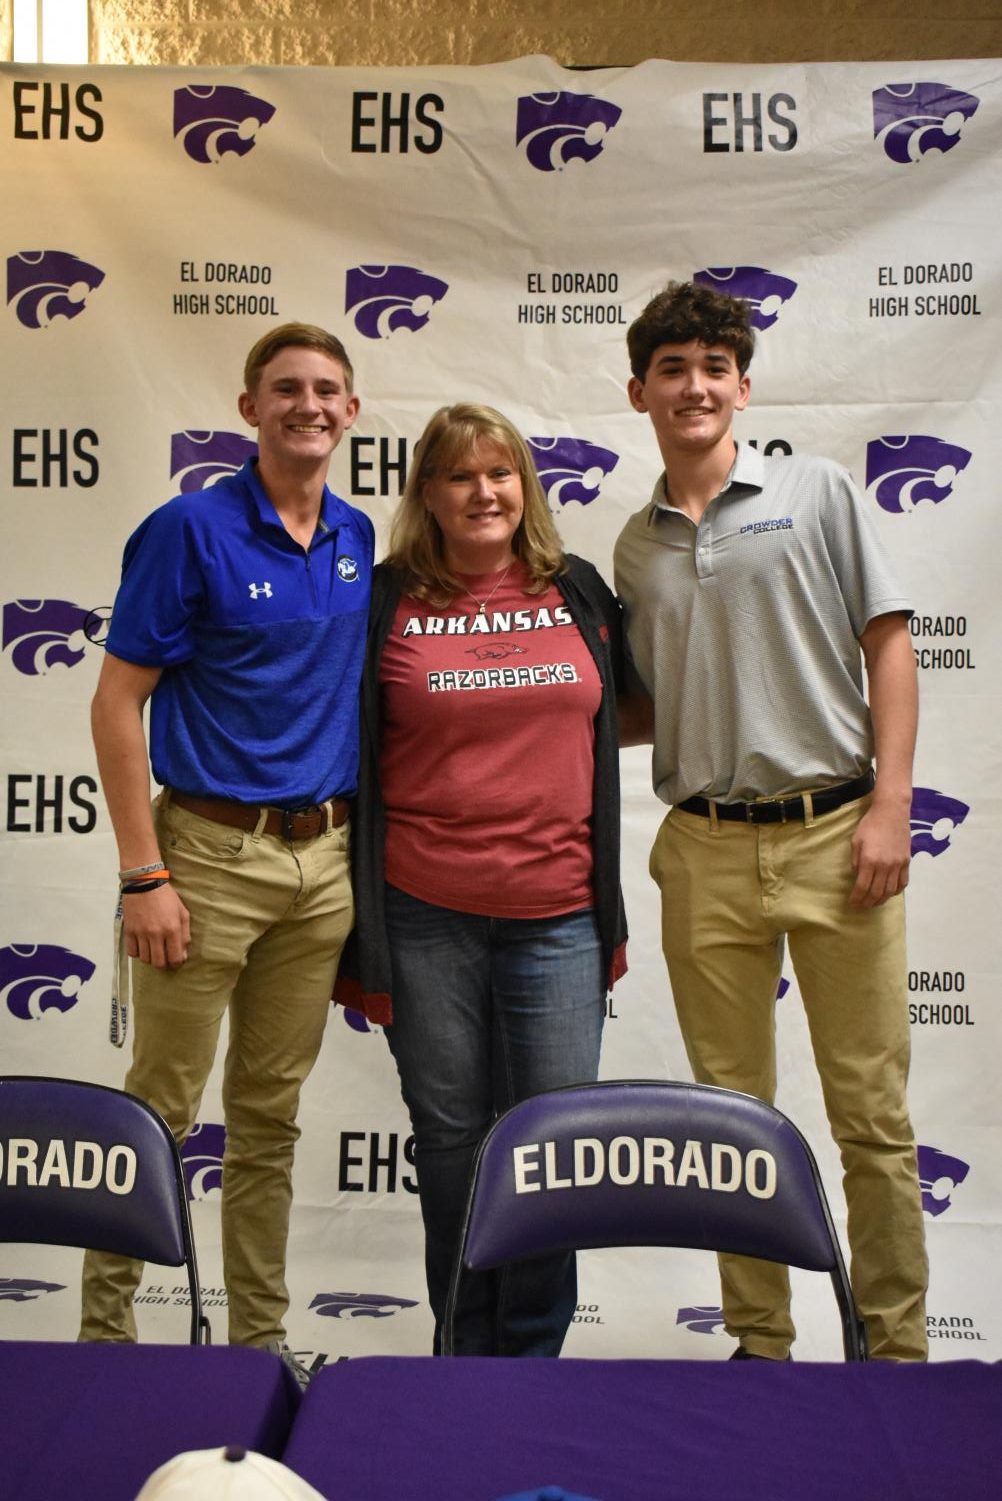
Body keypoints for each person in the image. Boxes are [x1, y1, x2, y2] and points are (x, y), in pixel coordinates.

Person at [614, 281, 928, 1362]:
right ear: (639, 392)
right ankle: (760, 1343)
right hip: (700, 846)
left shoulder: (820, 491)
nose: (693, 385)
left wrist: (890, 804)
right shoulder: (633, 545)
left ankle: (896, 1355)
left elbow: (890, 644)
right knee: (730, 1124)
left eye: (713, 365)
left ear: (743, 386)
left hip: (839, 836)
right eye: (672, 368)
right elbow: (640, 703)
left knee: (871, 1119)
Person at [80, 323, 373, 1372]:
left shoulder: (357, 535)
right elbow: (118, 707)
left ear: (352, 410)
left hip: (323, 866)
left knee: (268, 1119)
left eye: (328, 390)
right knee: (160, 1106)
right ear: (249, 407)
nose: (309, 404)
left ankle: (260, 1342)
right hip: (203, 859)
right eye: (287, 388)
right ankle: (102, 1338)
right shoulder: (188, 529)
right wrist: (142, 872)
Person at [337, 402, 628, 1356]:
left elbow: (619, 715)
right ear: (428, 492)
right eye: (460, 475)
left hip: (560, 916)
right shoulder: (384, 599)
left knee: (550, 1145)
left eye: (500, 472)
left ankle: (534, 1353)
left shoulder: (576, 589)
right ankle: (464, 1348)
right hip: (425, 915)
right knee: (455, 1141)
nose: (483, 491)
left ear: (525, 488)